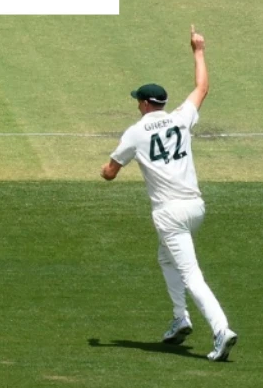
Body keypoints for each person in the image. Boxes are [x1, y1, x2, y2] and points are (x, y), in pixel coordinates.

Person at [100, 25, 237, 361]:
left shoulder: (135, 133)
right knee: (166, 258)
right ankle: (180, 319)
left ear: (146, 104)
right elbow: (202, 87)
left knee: (192, 276)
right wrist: (198, 50)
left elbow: (110, 173)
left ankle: (222, 330)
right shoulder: (180, 117)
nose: (137, 105)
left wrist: (106, 170)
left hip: (169, 214)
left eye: (138, 101)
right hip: (195, 208)